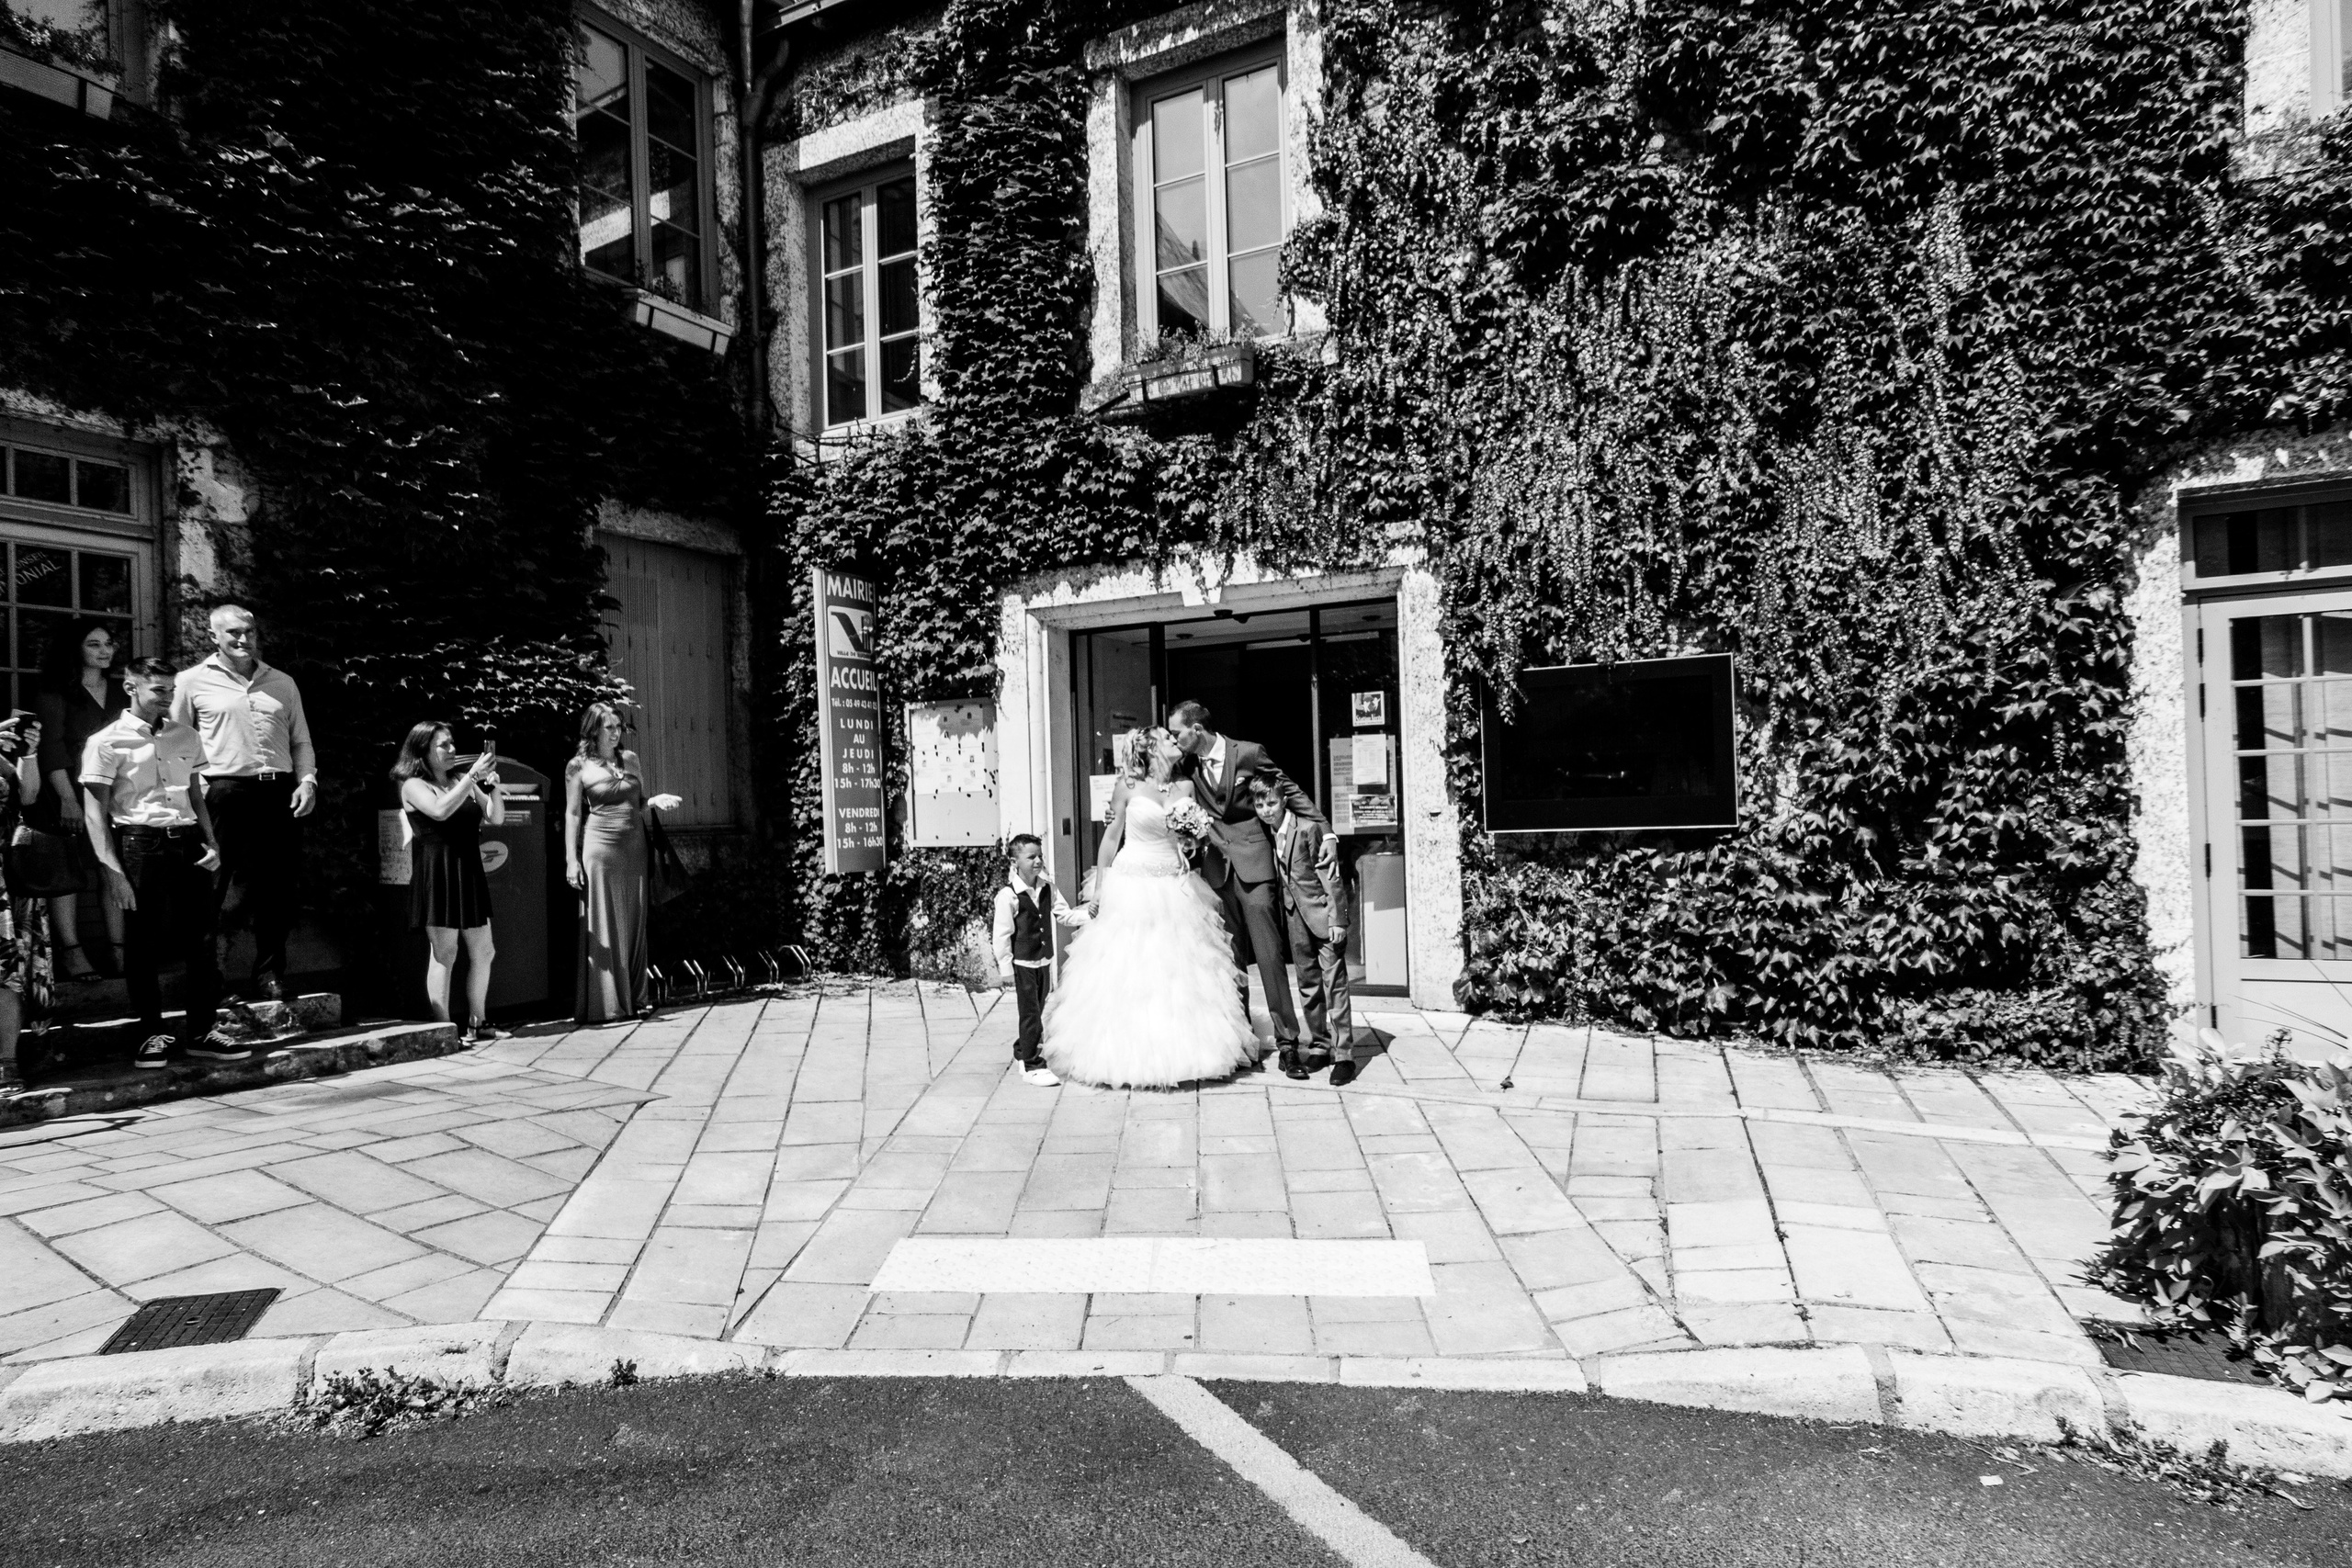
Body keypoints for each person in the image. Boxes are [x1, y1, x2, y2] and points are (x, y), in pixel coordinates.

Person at [1040, 727, 1258, 1089]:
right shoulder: (1127, 785)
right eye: (1168, 738)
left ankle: (1190, 1052)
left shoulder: (1186, 787)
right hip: (1132, 883)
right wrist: (1100, 889)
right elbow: (1112, 837)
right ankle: (1124, 1055)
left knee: (1180, 970)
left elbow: (1193, 836)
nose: (1176, 741)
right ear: (1153, 748)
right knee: (1131, 969)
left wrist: (1191, 841)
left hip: (1175, 884)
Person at [81, 658, 248, 1072]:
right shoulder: (106, 741)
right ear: (131, 688)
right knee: (143, 942)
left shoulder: (185, 736)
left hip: (189, 842)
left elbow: (195, 793)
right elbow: (93, 813)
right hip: (140, 845)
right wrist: (111, 870)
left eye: (172, 690)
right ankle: (150, 1033)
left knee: (204, 939)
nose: (168, 698)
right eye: (159, 690)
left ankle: (202, 1031)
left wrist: (212, 843)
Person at [1166, 699, 1337, 1066]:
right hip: (1215, 870)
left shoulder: (1247, 753)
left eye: (1177, 731)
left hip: (1255, 866)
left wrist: (1327, 832)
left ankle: (1288, 1043)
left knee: (1269, 955)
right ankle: (1244, 1041)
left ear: (1197, 729)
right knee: (1231, 959)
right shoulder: (1185, 764)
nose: (1174, 738)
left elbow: (1288, 791)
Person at [172, 604, 316, 1001]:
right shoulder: (190, 682)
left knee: (278, 887)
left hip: (279, 792)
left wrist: (307, 780)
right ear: (213, 636)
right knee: (212, 888)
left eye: (249, 632)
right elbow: (176, 746)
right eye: (233, 632)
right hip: (223, 793)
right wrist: (192, 797)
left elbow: (300, 739)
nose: (242, 639)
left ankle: (270, 974)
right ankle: (207, 981)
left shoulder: (282, 682)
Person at [566, 703, 679, 1023]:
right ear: (594, 731)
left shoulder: (630, 760)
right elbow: (573, 814)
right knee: (603, 920)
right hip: (599, 847)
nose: (616, 733)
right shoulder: (578, 766)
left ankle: (635, 997)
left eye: (619, 726)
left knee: (634, 919)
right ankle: (608, 1003)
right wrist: (571, 860)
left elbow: (637, 802)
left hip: (634, 846)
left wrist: (654, 801)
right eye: (609, 727)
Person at [392, 721, 504, 1043]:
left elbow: (496, 817)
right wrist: (471, 779)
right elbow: (440, 811)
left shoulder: (458, 778)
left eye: (453, 743)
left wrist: (492, 786)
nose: (453, 750)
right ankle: (443, 1030)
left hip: (468, 869)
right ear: (423, 750)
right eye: (444, 745)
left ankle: (478, 1022)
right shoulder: (413, 785)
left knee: (484, 951)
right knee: (445, 953)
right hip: (438, 870)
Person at [1250, 776, 1356, 1085]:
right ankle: (1320, 1045)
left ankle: (1345, 1054)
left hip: (1322, 916)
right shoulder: (1267, 833)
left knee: (1334, 985)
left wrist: (1338, 920)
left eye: (1271, 803)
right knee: (1308, 984)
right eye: (1260, 805)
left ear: (1284, 801)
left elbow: (1331, 877)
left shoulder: (1309, 830)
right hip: (1294, 919)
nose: (1266, 810)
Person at [35, 619, 126, 981]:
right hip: (66, 792)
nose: (105, 651)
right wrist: (68, 801)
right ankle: (72, 954)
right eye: (94, 644)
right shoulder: (54, 692)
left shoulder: (123, 690)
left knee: (113, 868)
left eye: (109, 643)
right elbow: (51, 749)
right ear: (75, 649)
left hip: (115, 794)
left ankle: (119, 952)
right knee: (66, 874)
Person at [989, 832, 1090, 1087]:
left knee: (1039, 1007)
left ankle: (1023, 1049)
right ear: (1015, 862)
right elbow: (1002, 935)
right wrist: (1006, 968)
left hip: (1044, 961)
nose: (1038, 861)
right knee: (1030, 1012)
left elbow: (1064, 915)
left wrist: (1090, 915)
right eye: (1031, 856)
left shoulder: (1048, 888)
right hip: (1023, 963)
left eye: (1040, 856)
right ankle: (1033, 1065)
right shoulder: (1008, 896)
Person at [0, 713, 51, 1089]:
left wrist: (29, 753)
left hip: (7, 878)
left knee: (8, 974)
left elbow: (28, 796)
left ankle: (7, 1062)